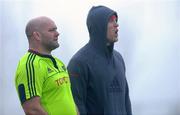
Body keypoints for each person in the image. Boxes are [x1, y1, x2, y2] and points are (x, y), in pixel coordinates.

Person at [68, 5, 132, 115]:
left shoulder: (119, 58)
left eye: (116, 20)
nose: (116, 25)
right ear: (99, 26)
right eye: (111, 21)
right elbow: (77, 105)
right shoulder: (78, 62)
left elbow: (126, 101)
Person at [15, 16, 78, 115]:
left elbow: (69, 99)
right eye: (52, 30)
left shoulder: (58, 62)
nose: (57, 33)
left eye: (56, 29)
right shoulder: (30, 65)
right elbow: (32, 110)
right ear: (37, 35)